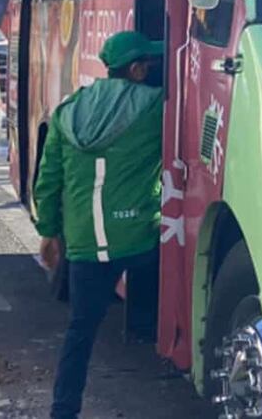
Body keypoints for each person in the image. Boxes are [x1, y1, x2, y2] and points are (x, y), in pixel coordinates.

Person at [35, 31, 164, 419]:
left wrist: (48, 231)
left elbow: (48, 179)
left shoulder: (66, 112)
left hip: (84, 242)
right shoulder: (155, 106)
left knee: (80, 332)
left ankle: (63, 410)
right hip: (140, 236)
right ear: (138, 69)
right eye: (151, 66)